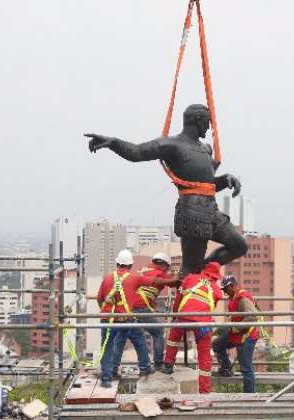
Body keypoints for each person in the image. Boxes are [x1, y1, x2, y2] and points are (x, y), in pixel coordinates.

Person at [84, 104, 248, 278]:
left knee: (239, 246)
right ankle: (190, 287)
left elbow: (206, 185)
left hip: (211, 211)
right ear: (198, 120)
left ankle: (201, 273)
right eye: (208, 122)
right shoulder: (172, 145)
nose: (209, 126)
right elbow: (137, 152)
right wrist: (113, 143)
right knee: (191, 270)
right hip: (193, 213)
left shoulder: (205, 149)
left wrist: (225, 179)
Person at [96, 249, 177, 388]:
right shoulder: (134, 277)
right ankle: (148, 368)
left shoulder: (109, 277)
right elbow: (154, 281)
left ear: (117, 263)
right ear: (130, 265)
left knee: (111, 344)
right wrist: (174, 279)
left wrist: (106, 311)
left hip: (108, 317)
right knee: (142, 339)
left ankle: (110, 373)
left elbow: (99, 298)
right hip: (127, 316)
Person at [161, 262, 224, 393]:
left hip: (185, 316)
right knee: (204, 357)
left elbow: (179, 297)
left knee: (174, 335)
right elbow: (210, 308)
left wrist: (174, 315)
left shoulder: (190, 278)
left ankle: (168, 364)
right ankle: (205, 391)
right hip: (203, 324)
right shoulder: (217, 291)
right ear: (216, 276)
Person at [112, 252, 173, 371]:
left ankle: (113, 368)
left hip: (127, 308)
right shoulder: (161, 274)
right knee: (158, 332)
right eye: (167, 268)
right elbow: (176, 283)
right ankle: (158, 364)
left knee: (121, 337)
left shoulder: (143, 270)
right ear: (164, 265)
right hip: (141, 308)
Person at [212, 275, 259, 393]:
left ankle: (249, 398)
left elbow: (253, 317)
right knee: (217, 344)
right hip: (237, 333)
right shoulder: (234, 297)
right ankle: (226, 368)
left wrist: (237, 328)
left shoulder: (242, 298)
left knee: (246, 369)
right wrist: (219, 330)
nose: (225, 292)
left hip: (246, 336)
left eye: (226, 289)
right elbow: (235, 318)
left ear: (232, 286)